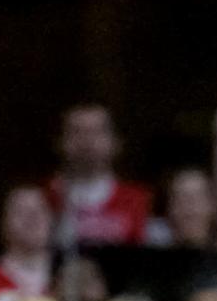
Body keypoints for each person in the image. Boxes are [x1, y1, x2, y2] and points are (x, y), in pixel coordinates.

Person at [47, 105, 151, 248]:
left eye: (97, 132)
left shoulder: (138, 199)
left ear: (116, 142)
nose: (87, 141)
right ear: (60, 141)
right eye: (76, 131)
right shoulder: (42, 197)